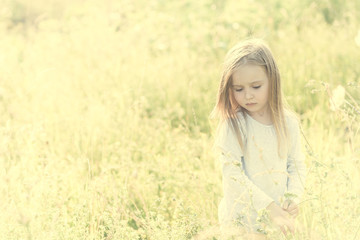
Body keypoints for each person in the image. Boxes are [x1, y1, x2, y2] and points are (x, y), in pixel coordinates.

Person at [210, 39, 307, 239]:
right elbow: (232, 174)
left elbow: (296, 165)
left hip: (276, 223)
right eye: (239, 89)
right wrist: (268, 207)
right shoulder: (235, 125)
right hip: (240, 222)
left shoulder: (288, 123)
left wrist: (292, 198)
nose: (248, 96)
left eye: (256, 86)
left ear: (273, 80)